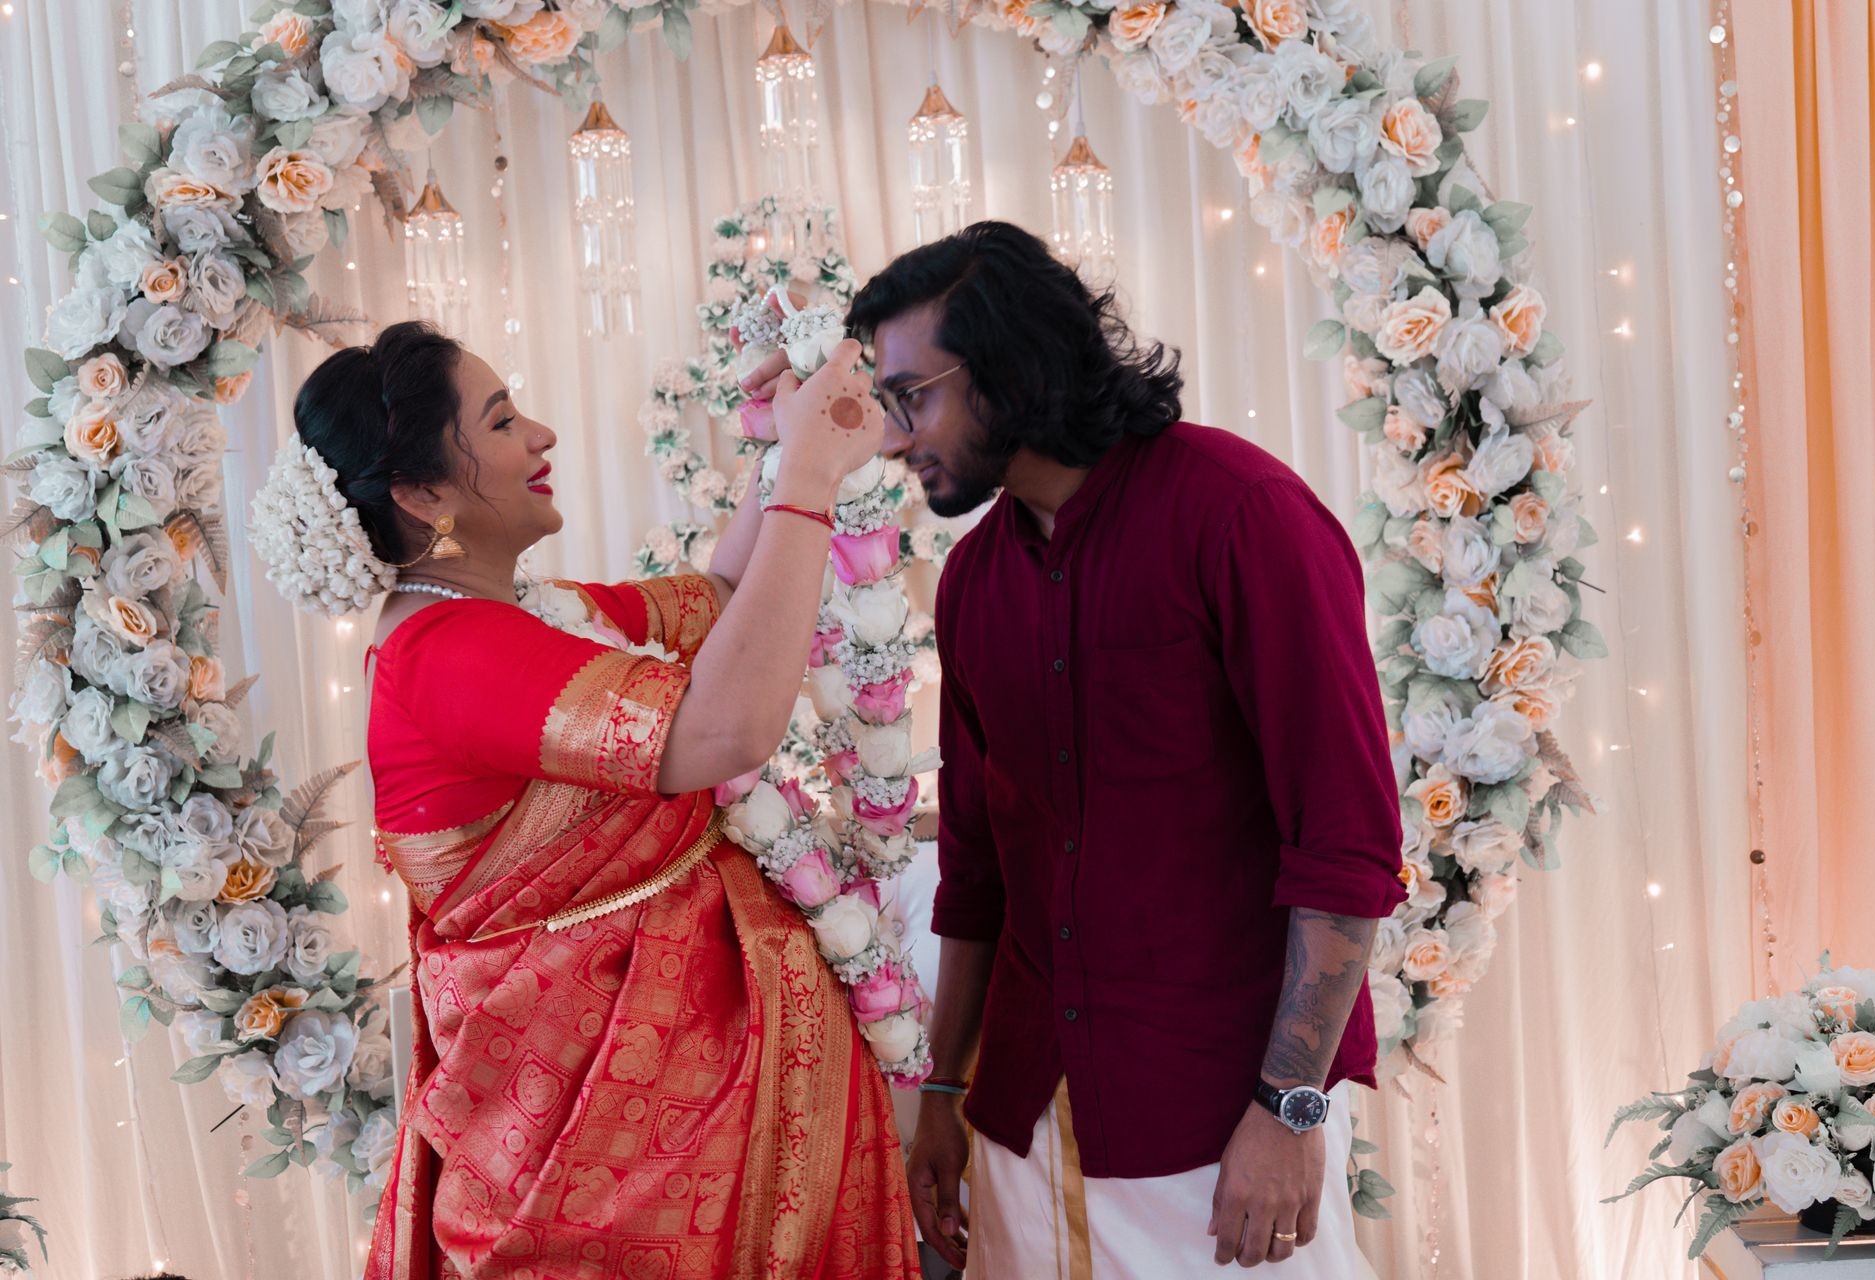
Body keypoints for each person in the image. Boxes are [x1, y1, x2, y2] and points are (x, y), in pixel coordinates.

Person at [273, 321, 918, 1279]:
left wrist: (788, 451)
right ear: (421, 494)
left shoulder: (514, 614)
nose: (542, 436)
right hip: (614, 1166)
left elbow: (727, 594)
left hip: (689, 1125)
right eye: (500, 422)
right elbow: (722, 729)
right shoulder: (445, 656)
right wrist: (809, 484)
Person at [834, 221, 1404, 1276]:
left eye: (912, 396)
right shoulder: (973, 585)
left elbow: (1346, 848)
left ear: (1008, 369)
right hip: (1021, 1124)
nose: (890, 435)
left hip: (1216, 1131)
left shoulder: (1243, 516)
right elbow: (976, 873)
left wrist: (1288, 1105)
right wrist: (946, 1096)